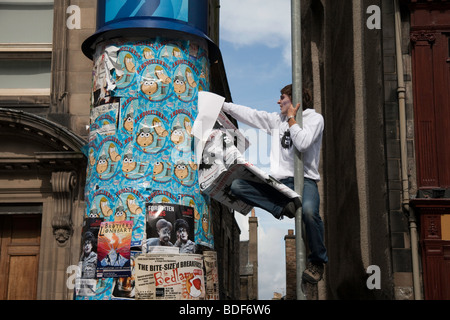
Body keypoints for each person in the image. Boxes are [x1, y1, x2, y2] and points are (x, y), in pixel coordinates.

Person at [222, 84, 328, 283]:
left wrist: (291, 118)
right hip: (281, 184)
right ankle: (283, 207)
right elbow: (251, 115)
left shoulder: (315, 119)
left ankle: (317, 262)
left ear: (294, 101)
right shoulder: (275, 120)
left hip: (305, 182)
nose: (278, 102)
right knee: (237, 186)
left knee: (309, 212)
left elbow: (303, 143)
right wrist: (224, 106)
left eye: (282, 98)